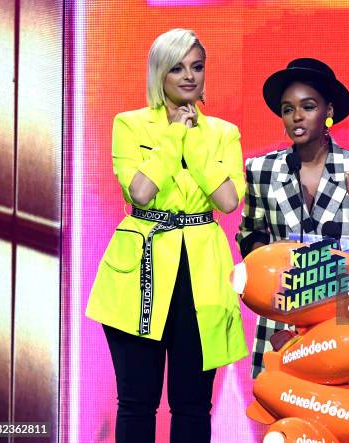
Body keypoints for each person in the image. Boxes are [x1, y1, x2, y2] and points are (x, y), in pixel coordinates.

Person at [86, 28, 247, 443]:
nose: (189, 77)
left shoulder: (222, 133)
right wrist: (174, 134)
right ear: (159, 72)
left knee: (193, 405)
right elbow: (139, 191)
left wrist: (192, 140)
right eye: (177, 68)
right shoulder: (130, 124)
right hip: (138, 270)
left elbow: (228, 201)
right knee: (137, 403)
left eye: (196, 67)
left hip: (202, 272)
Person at [237, 58, 349, 442]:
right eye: (288, 109)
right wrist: (276, 286)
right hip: (282, 324)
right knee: (288, 434)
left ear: (329, 112)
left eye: (307, 106)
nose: (296, 117)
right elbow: (249, 237)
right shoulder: (261, 170)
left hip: (340, 323)